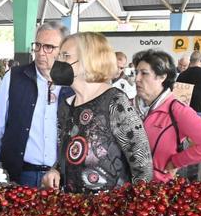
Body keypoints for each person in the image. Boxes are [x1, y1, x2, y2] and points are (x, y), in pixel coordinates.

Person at [42, 32, 153, 193]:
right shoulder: (66, 107)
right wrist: (56, 170)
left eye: (65, 56)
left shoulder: (114, 102)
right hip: (74, 210)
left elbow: (142, 166)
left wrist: (136, 209)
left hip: (112, 212)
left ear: (89, 60)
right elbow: (65, 153)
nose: (58, 62)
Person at [0, 22, 68, 187]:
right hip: (20, 174)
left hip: (59, 178)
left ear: (63, 51)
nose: (41, 52)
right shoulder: (14, 77)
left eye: (49, 47)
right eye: (37, 45)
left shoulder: (71, 84)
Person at [133, 49, 201, 182]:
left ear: (162, 77)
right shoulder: (129, 106)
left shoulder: (177, 110)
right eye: (136, 72)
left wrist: (176, 162)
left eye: (144, 73)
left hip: (155, 191)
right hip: (126, 186)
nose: (137, 79)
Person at [175, 50, 201, 117]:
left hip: (183, 109)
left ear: (190, 61)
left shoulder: (182, 74)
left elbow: (176, 92)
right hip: (198, 110)